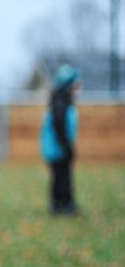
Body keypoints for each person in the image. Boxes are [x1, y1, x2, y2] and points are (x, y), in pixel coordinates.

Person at [40, 64, 81, 215]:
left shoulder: (60, 98)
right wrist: (66, 146)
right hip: (57, 147)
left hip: (57, 146)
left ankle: (60, 204)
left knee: (60, 175)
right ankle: (63, 205)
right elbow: (59, 124)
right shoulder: (61, 100)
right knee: (62, 176)